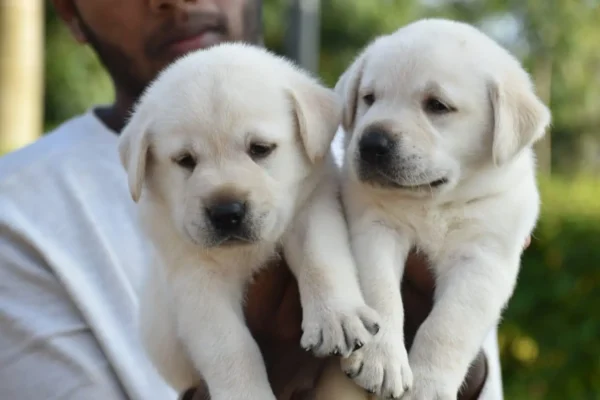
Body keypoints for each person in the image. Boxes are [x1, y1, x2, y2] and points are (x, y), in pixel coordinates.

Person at [0, 0, 514, 399]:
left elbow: (464, 365)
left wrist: (439, 360)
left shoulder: (384, 157)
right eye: (185, 161)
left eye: (261, 149)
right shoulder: (17, 210)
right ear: (67, 10)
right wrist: (262, 369)